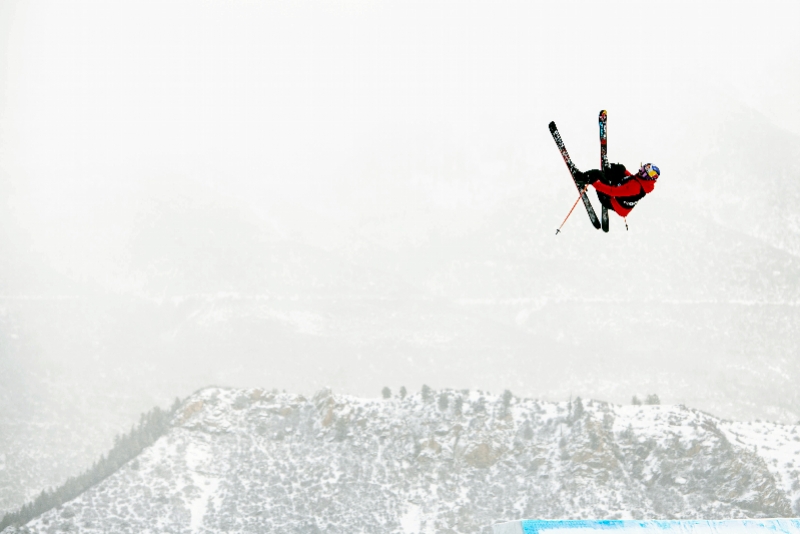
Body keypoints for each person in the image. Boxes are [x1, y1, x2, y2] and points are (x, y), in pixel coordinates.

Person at [576, 163, 660, 218]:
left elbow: (612, 192)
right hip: (620, 198)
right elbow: (631, 179)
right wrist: (622, 170)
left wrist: (595, 183)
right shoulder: (643, 183)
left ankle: (580, 178)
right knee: (620, 169)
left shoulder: (635, 187)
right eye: (642, 169)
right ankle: (608, 170)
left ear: (648, 178)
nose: (640, 172)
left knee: (597, 174)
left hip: (613, 201)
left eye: (643, 172)